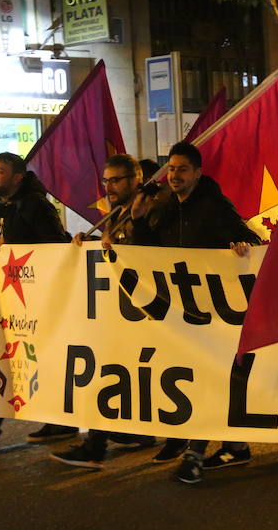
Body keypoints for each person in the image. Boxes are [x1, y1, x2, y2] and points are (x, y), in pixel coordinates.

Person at [131, 141, 261, 484]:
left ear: (197, 173)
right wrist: (140, 222)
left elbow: (250, 239)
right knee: (200, 379)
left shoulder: (215, 206)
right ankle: (235, 445)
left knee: (209, 377)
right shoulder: (165, 207)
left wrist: (240, 246)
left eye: (182, 169)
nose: (174, 175)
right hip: (181, 313)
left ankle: (195, 453)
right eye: (171, 169)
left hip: (216, 313)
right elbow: (149, 255)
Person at [0, 153, 76, 451]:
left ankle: (59, 420)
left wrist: (16, 249)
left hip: (37, 298)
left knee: (35, 360)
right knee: (2, 357)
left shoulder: (36, 206)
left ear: (18, 177)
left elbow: (56, 246)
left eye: (0, 171)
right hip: (10, 298)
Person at [51, 155, 158, 469]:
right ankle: (136, 432)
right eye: (107, 180)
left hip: (143, 309)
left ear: (136, 179)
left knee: (111, 373)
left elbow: (153, 250)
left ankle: (95, 445)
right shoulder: (117, 211)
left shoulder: (149, 208)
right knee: (121, 374)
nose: (110, 187)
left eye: (117, 180)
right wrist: (93, 242)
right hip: (124, 310)